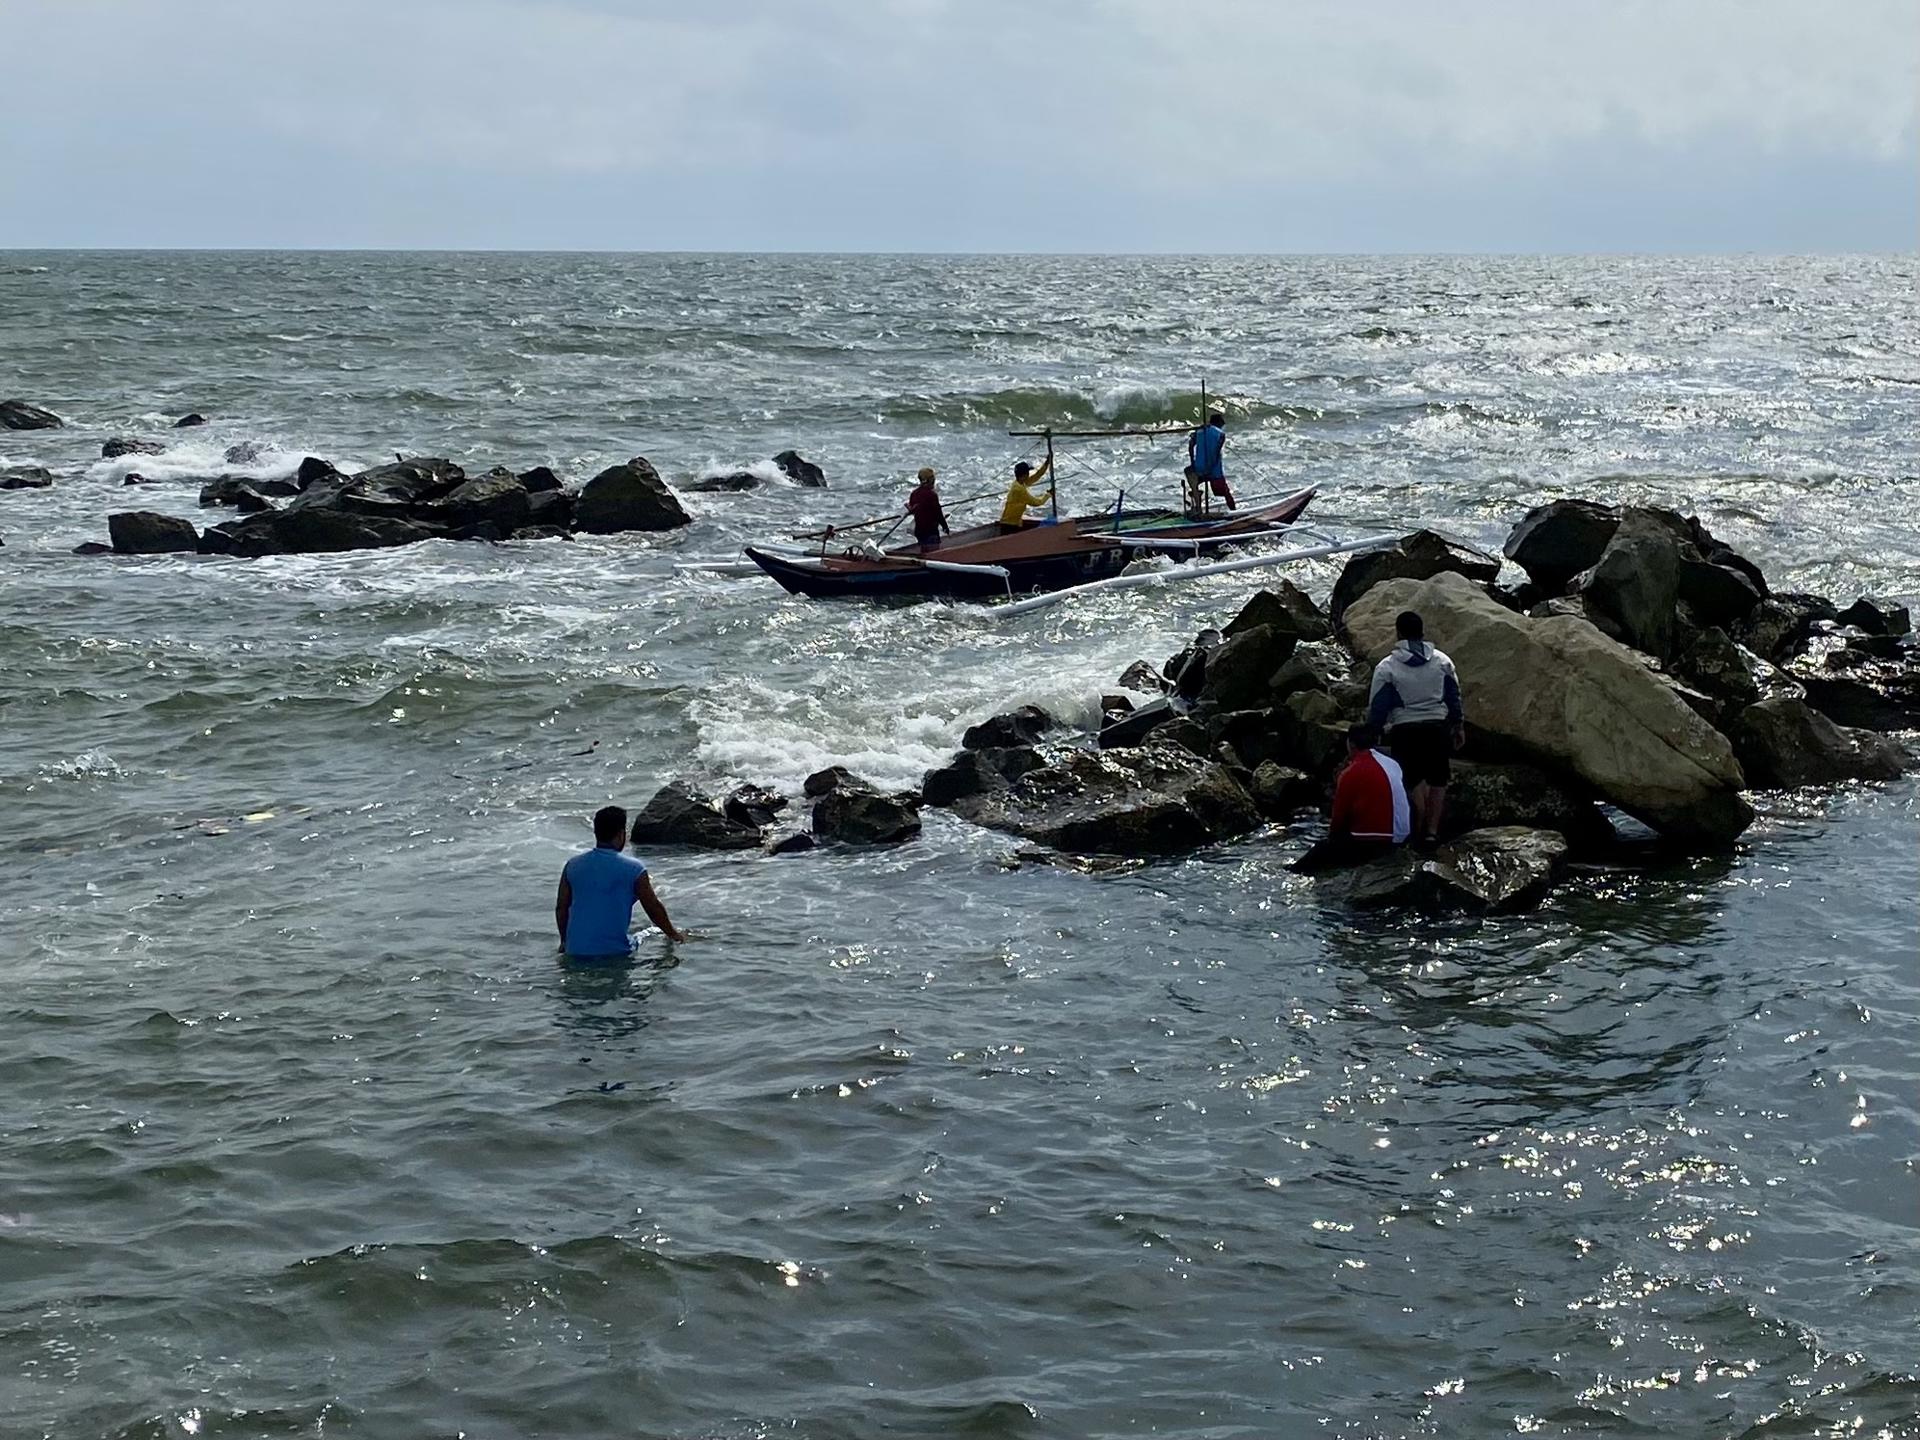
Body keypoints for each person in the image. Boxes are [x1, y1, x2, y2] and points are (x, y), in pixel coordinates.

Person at [1366, 610, 1465, 848]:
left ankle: (1416, 823)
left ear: (1398, 633)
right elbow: (1453, 696)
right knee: (1439, 780)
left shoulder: (1387, 667)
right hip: (1437, 728)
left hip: (1405, 729)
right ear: (1422, 632)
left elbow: (1379, 704)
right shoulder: (1442, 661)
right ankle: (1432, 831)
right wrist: (1458, 725)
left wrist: (1374, 730)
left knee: (1411, 780)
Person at [555, 805, 685, 958]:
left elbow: (561, 908)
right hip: (615, 953)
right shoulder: (634, 869)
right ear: (621, 834)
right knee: (649, 933)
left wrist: (565, 942)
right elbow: (653, 908)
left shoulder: (572, 865)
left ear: (596, 833)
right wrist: (674, 935)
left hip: (575, 951)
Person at [1294, 724, 1411, 871]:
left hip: (1375, 841)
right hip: (1401, 835)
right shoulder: (1391, 763)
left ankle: (1290, 872)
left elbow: (1338, 817)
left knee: (1320, 851)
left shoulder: (1351, 772)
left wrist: (1332, 839)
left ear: (1351, 743)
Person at [1186, 410, 1235, 511]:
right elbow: (1216, 453)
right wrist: (1210, 467)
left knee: (1189, 473)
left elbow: (1190, 446)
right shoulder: (1221, 434)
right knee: (1225, 492)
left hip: (1199, 468)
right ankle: (1234, 512)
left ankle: (1197, 499)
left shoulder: (1198, 432)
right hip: (1214, 470)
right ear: (1218, 423)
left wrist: (1193, 463)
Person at [998, 456, 1054, 528]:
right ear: (1024, 475)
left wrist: (1046, 463)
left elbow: (1037, 476)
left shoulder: (1019, 483)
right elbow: (1037, 502)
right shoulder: (1019, 489)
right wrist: (1048, 494)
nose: (1029, 474)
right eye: (1028, 473)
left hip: (1014, 522)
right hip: (1009, 525)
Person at [905, 466, 949, 551]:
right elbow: (938, 514)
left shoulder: (914, 494)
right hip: (930, 531)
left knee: (924, 550)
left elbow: (914, 509)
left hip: (919, 530)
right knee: (934, 553)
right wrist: (945, 527)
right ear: (931, 480)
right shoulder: (932, 495)